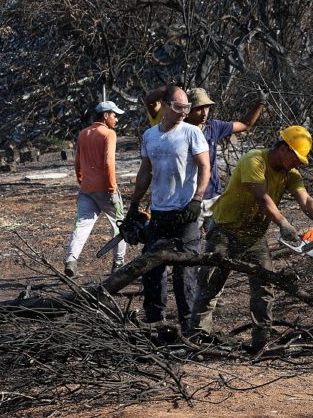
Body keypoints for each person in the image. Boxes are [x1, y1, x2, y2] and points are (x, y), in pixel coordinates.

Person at [192, 125, 313, 351]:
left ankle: (261, 342)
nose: (299, 163)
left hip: (253, 235)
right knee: (210, 283)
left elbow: (306, 200)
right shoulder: (255, 160)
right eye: (296, 157)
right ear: (283, 148)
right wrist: (283, 223)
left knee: (264, 287)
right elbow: (262, 199)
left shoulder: (291, 174)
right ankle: (197, 339)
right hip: (225, 228)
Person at [127, 85, 210, 335]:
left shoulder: (192, 133)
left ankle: (190, 327)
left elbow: (205, 167)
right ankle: (156, 323)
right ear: (165, 106)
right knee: (152, 269)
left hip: (185, 213)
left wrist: (197, 199)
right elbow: (145, 172)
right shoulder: (150, 135)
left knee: (185, 274)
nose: (184, 112)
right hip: (159, 213)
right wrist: (134, 204)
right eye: (178, 107)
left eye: (186, 107)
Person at [144, 85, 266, 230]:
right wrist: (168, 89)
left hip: (212, 196)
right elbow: (149, 102)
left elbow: (245, 124)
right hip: (186, 199)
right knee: (188, 240)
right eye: (199, 108)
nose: (204, 113)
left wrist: (261, 103)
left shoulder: (213, 127)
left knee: (215, 241)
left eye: (207, 108)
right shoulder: (177, 130)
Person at [65, 100, 127, 278]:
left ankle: (71, 260)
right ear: (105, 115)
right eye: (114, 115)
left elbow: (77, 161)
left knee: (81, 225)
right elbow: (109, 163)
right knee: (119, 225)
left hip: (87, 189)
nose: (116, 119)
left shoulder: (83, 133)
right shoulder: (109, 134)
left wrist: (81, 180)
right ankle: (118, 264)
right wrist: (112, 189)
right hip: (106, 190)